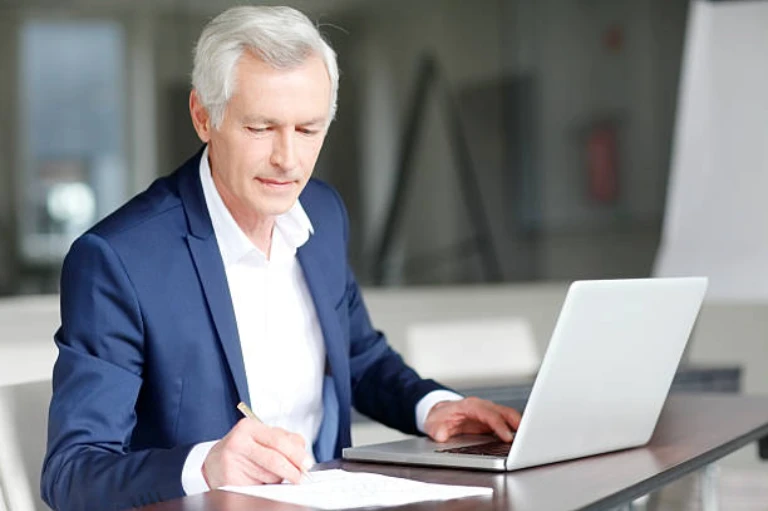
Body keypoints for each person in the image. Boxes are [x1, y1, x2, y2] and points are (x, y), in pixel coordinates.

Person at [41, 6, 521, 511]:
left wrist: (435, 408)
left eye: (308, 130)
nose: (288, 160)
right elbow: (72, 473)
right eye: (261, 128)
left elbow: (358, 357)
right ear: (204, 116)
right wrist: (205, 466)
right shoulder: (118, 260)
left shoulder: (323, 213)